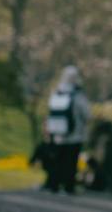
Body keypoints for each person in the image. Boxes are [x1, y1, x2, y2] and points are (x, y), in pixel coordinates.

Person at [45, 65, 91, 194]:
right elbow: (87, 114)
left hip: (57, 134)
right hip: (75, 135)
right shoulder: (78, 94)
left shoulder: (56, 92)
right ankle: (68, 187)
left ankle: (53, 185)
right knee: (70, 163)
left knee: (57, 161)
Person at [29, 126, 55, 191]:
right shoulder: (42, 145)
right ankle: (49, 184)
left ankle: (50, 184)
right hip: (47, 160)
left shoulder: (53, 142)